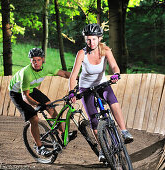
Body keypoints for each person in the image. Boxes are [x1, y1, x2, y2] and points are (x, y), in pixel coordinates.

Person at [68, 24, 133, 162]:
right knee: (93, 120)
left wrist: (116, 74)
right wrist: (72, 92)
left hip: (102, 84)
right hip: (86, 88)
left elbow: (114, 66)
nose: (91, 43)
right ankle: (103, 149)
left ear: (99, 39)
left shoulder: (106, 50)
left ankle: (124, 131)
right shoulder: (82, 53)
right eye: (88, 40)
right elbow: (73, 76)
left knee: (113, 101)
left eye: (94, 39)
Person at [9, 48, 76, 157]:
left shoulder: (47, 67)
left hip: (31, 89)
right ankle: (39, 147)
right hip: (17, 93)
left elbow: (63, 74)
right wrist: (37, 105)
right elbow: (25, 96)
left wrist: (79, 77)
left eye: (38, 60)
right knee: (34, 118)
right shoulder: (26, 73)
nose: (36, 63)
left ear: (43, 60)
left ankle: (63, 133)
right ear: (30, 61)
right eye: (33, 60)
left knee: (50, 107)